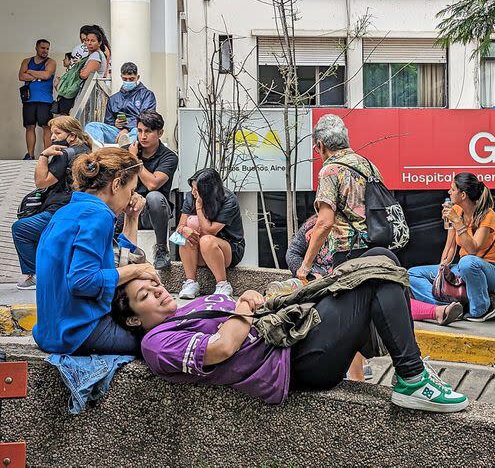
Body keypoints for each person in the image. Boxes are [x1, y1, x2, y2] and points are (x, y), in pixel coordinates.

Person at [111, 247, 469, 413]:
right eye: (145, 295)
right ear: (132, 319)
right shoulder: (157, 344)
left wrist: (252, 299)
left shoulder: (187, 308)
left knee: (383, 257)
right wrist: (242, 306)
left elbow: (244, 314)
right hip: (293, 362)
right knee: (376, 280)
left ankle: (413, 369)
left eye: (155, 285)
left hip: (294, 332)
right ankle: (411, 377)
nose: (158, 291)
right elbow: (221, 347)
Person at [33, 148, 160, 355]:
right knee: (160, 338)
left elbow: (120, 260)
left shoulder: (68, 211)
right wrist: (138, 270)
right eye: (131, 191)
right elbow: (82, 281)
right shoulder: (98, 215)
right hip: (78, 332)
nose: (131, 198)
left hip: (51, 332)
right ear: (117, 184)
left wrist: (132, 217)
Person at [287, 215, 463, 326]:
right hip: (324, 286)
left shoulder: (358, 229)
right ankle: (438, 311)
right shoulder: (313, 226)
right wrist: (309, 275)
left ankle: (438, 311)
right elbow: (292, 253)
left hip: (352, 281)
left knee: (386, 298)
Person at [297, 114, 385, 281]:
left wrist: (305, 265)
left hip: (350, 252)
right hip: (379, 246)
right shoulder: (368, 165)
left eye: (317, 149)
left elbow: (324, 223)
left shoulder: (330, 170)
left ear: (321, 145)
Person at [408, 173, 495, 322]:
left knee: (467, 261)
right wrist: (443, 268)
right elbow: (450, 247)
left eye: (452, 189)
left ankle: (481, 310)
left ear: (463, 194)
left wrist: (458, 222)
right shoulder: (457, 211)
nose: (449, 192)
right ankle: (446, 308)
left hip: (490, 271)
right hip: (462, 268)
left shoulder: (487, 215)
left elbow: (474, 249)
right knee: (412, 274)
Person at [12, 116, 93, 290]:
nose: (53, 137)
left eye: (58, 133)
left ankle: (35, 275)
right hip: (79, 210)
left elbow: (41, 182)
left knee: (20, 229)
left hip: (60, 212)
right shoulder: (87, 150)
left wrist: (43, 155)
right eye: (53, 133)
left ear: (71, 136)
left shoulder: (62, 154)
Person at [176, 168, 245, 300]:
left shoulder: (229, 200)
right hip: (201, 251)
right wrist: (183, 230)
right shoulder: (192, 196)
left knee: (206, 240)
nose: (192, 192)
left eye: (196, 190)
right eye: (192, 188)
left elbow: (209, 230)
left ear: (207, 191)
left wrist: (199, 208)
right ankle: (190, 282)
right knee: (183, 235)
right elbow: (180, 226)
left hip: (228, 250)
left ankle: (223, 284)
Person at [124, 110, 178, 270]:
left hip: (152, 213)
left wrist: (135, 160)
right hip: (128, 206)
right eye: (140, 131)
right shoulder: (128, 150)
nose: (143, 136)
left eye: (148, 131)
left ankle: (162, 250)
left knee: (154, 196)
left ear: (160, 133)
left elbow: (152, 184)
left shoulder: (169, 157)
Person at [84, 62, 156, 147]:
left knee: (137, 130)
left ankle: (127, 145)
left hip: (137, 131)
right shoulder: (113, 99)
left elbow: (146, 119)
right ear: (121, 77)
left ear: (138, 77)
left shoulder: (147, 95)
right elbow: (108, 123)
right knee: (91, 126)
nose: (128, 81)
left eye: (131, 79)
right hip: (117, 133)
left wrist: (126, 128)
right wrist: (116, 124)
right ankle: (98, 148)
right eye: (125, 79)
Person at [53, 26, 107, 116]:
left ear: (99, 42)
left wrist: (82, 70)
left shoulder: (96, 56)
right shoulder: (90, 56)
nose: (89, 43)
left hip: (90, 96)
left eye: (92, 41)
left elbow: (84, 74)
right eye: (87, 40)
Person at [18, 39, 56, 160]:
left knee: (46, 127)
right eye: (43, 48)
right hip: (29, 100)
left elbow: (46, 75)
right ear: (36, 48)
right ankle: (30, 155)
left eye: (47, 48)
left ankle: (47, 156)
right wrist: (39, 74)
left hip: (45, 101)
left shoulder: (51, 62)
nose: (45, 51)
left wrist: (30, 72)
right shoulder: (27, 61)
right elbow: (21, 76)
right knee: (29, 127)